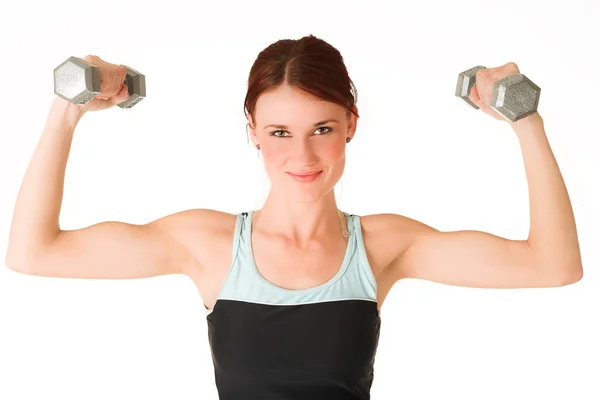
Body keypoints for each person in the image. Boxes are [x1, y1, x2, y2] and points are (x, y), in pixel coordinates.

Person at [5, 35, 583, 399]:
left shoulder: (382, 245)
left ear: (351, 124)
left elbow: (553, 265)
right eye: (279, 132)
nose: (302, 157)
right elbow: (34, 253)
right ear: (252, 131)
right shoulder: (206, 244)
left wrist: (524, 118)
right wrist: (68, 109)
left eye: (322, 130)